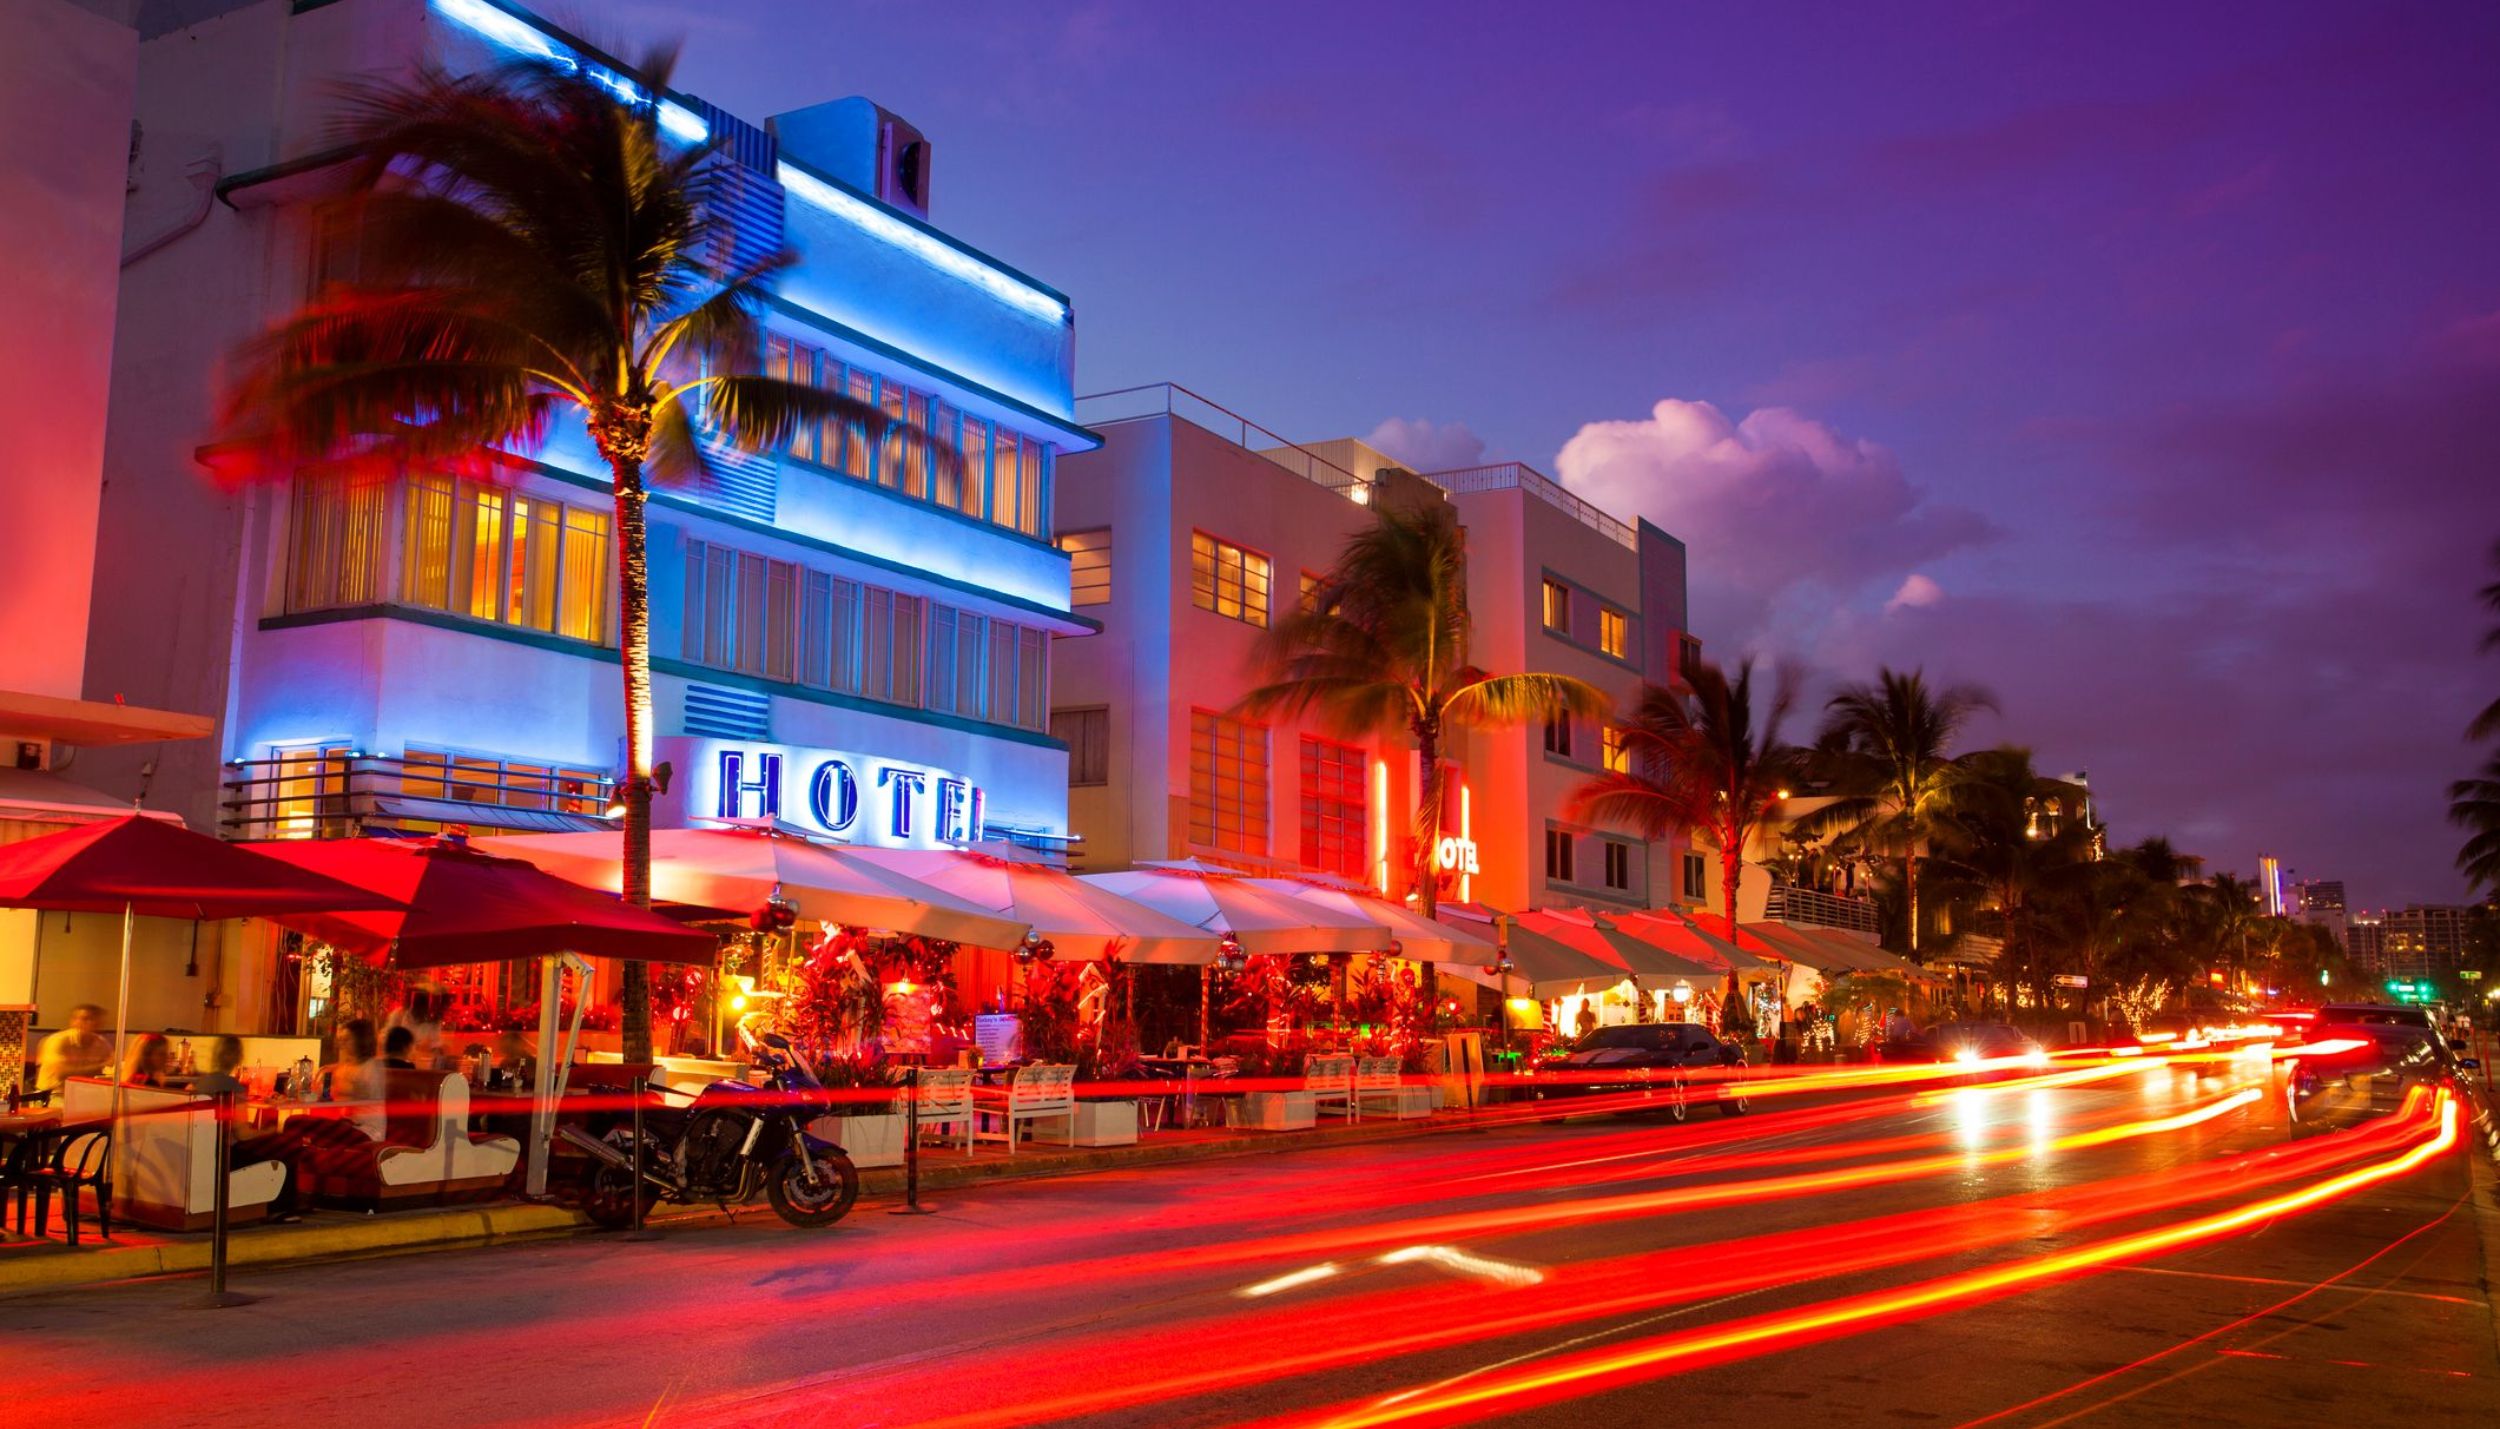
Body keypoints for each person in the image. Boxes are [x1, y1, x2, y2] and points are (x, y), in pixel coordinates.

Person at [35, 1003, 114, 1093]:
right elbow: (61, 1073)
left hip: (81, 1094)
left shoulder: (102, 1044)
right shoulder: (58, 1041)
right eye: (84, 1019)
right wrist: (102, 1066)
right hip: (52, 1094)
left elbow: (112, 1066)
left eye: (93, 1020)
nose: (90, 1023)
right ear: (73, 1021)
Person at [322, 1018, 381, 1102]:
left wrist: (331, 1087)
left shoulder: (371, 1068)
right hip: (344, 1113)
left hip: (365, 1114)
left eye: (347, 1039)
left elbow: (361, 1093)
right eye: (341, 1040)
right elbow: (326, 1094)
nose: (342, 1044)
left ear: (360, 1040)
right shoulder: (345, 1066)